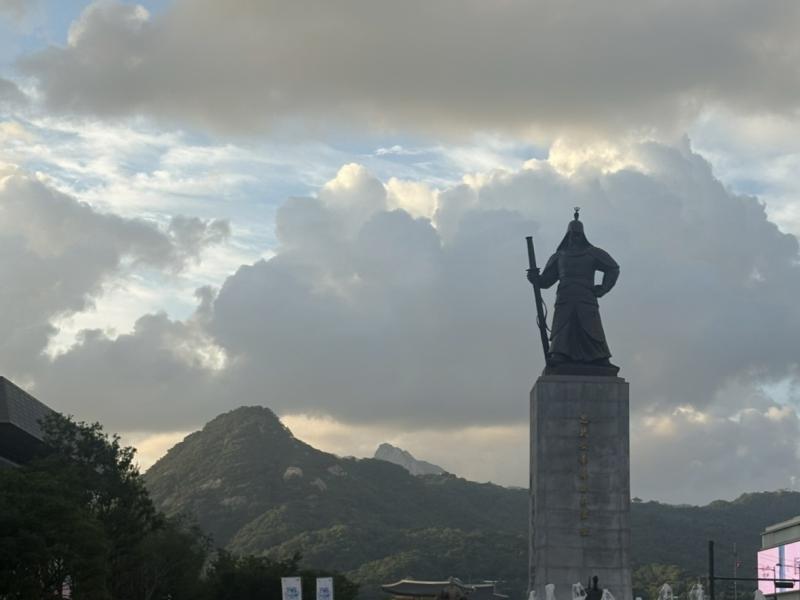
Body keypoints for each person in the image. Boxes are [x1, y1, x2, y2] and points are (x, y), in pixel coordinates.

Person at [527, 210, 619, 371]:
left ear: (583, 235)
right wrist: (535, 279)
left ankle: (599, 357)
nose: (574, 237)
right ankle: (560, 355)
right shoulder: (560, 256)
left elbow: (613, 268)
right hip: (565, 296)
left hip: (586, 296)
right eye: (572, 234)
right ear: (567, 235)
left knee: (591, 327)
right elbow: (546, 281)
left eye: (577, 234)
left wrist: (603, 288)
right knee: (563, 326)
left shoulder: (592, 253)